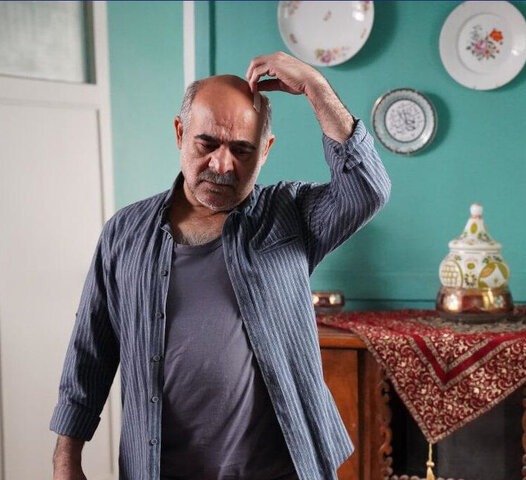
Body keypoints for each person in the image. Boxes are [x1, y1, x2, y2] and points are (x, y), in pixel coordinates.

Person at [50, 51, 391, 480]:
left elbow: (367, 189)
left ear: (265, 151)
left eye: (242, 150)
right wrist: (66, 458)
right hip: (158, 469)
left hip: (282, 471)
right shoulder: (124, 232)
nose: (222, 164)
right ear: (180, 133)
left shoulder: (290, 214)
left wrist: (315, 88)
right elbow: (90, 350)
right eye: (207, 143)